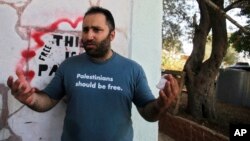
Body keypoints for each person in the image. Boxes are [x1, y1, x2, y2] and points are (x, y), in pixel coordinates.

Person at [7, 6, 180, 141]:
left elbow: (146, 111)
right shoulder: (68, 66)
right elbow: (48, 100)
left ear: (111, 35)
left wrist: (159, 106)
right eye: (86, 29)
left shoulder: (132, 70)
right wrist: (31, 99)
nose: (88, 36)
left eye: (97, 30)